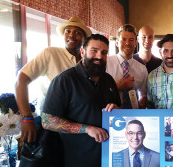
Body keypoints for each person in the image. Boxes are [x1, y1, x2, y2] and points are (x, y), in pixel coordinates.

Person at [41, 34, 121, 167]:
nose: (99, 56)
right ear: (83, 52)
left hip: (110, 158)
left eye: (104, 52)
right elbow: (47, 121)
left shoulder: (109, 80)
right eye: (94, 51)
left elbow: (118, 111)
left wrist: (118, 111)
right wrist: (87, 129)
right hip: (78, 159)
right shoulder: (65, 80)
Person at [15, 16, 92, 143]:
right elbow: (21, 80)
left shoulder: (87, 62)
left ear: (84, 38)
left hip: (81, 126)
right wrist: (27, 118)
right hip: (53, 126)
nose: (71, 35)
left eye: (77, 32)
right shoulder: (50, 53)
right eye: (68, 31)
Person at [106, 24, 148, 108]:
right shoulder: (106, 63)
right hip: (110, 113)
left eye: (131, 40)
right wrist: (119, 86)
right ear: (117, 42)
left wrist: (139, 106)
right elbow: (97, 91)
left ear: (135, 43)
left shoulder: (142, 68)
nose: (127, 43)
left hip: (133, 115)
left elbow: (144, 93)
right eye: (124, 39)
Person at [147, 34, 173, 109]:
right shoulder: (152, 76)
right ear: (160, 52)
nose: (170, 55)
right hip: (160, 118)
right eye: (166, 51)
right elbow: (150, 105)